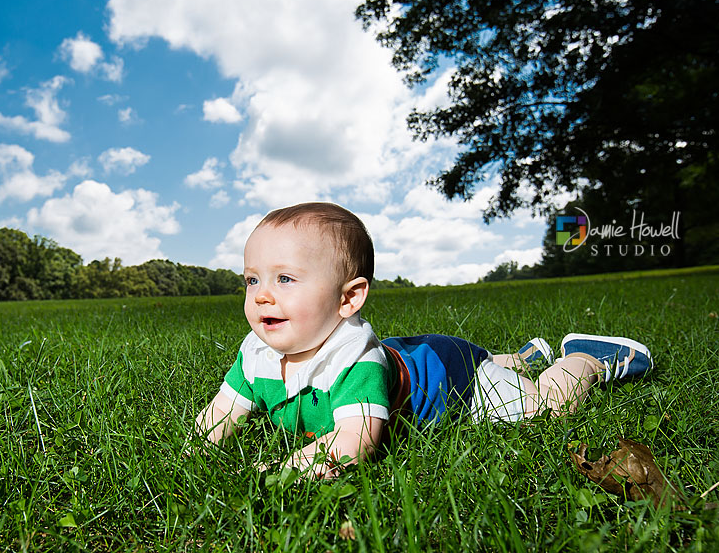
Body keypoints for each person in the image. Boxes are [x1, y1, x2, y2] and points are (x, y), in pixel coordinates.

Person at [193, 202, 653, 478]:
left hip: (455, 376)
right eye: (252, 280)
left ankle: (583, 360)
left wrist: (281, 473)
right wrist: (198, 450)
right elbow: (223, 410)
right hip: (412, 355)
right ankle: (520, 356)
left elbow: (355, 440)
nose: (263, 294)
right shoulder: (256, 353)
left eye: (285, 278)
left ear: (348, 298)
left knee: (542, 411)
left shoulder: (356, 363)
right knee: (481, 363)